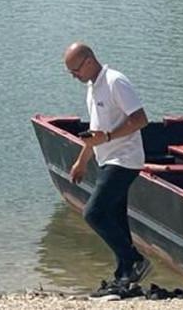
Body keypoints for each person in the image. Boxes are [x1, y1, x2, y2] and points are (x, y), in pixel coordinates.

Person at [63, 42, 152, 299]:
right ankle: (125, 281)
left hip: (125, 160)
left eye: (75, 70)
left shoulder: (115, 82)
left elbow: (140, 119)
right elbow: (95, 134)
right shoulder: (92, 89)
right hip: (108, 159)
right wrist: (82, 160)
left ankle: (136, 260)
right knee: (117, 222)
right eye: (70, 72)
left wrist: (110, 136)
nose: (74, 76)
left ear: (89, 60)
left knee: (93, 213)